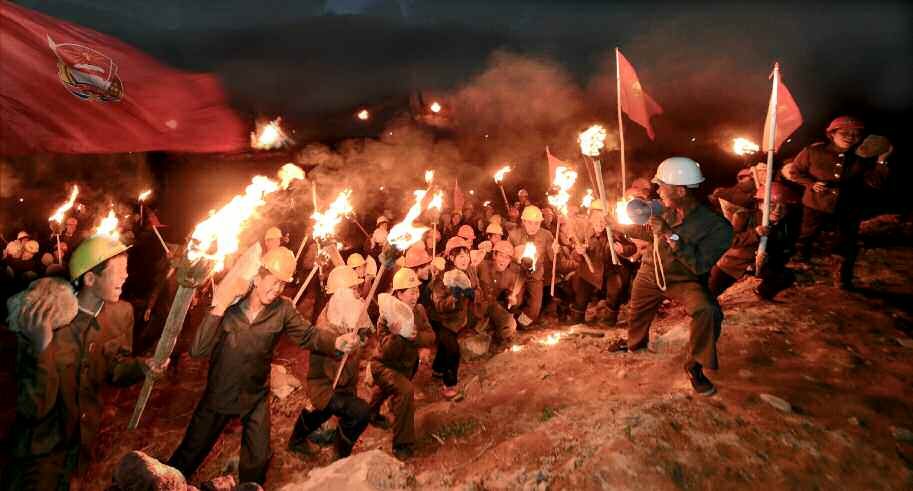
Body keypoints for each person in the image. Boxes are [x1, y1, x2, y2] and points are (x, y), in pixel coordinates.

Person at [168, 248, 360, 484]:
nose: (278, 289)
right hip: (221, 392)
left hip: (255, 395)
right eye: (274, 281)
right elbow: (197, 350)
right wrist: (222, 304)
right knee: (189, 455)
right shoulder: (230, 305)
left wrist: (336, 342)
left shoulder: (283, 309)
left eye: (283, 284)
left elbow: (308, 335)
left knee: (258, 459)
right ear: (258, 277)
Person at [4, 236, 167, 490]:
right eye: (118, 271)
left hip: (82, 444)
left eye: (125, 269)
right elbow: (34, 407)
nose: (125, 276)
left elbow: (115, 368)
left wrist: (142, 366)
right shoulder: (46, 319)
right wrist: (41, 347)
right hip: (40, 449)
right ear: (90, 279)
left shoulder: (121, 314)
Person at [619, 157, 733, 396]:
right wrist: (616, 224)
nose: (658, 191)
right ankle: (634, 344)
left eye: (662, 186)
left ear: (681, 191)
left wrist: (670, 235)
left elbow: (700, 265)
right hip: (652, 271)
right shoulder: (665, 210)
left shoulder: (718, 227)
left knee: (708, 311)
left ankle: (696, 366)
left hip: (684, 279)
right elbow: (647, 232)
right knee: (637, 312)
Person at [784, 116, 891, 288]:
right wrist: (810, 183)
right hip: (816, 202)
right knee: (807, 234)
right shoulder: (813, 151)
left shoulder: (863, 156)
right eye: (844, 133)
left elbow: (876, 183)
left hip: (849, 204)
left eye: (856, 134)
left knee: (847, 240)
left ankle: (842, 275)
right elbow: (795, 172)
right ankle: (798, 262)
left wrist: (881, 160)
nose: (850, 137)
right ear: (832, 134)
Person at [288, 265, 372, 461]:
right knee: (359, 412)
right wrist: (350, 349)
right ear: (340, 295)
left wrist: (361, 339)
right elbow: (337, 375)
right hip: (327, 386)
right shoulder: (327, 330)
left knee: (322, 412)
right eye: (353, 290)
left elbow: (363, 332)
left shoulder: (341, 316)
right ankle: (340, 454)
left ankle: (297, 439)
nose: (357, 295)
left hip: (339, 384)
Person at [367, 268, 436, 459]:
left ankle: (370, 413)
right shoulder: (386, 318)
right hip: (383, 365)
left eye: (417, 291)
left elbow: (431, 336)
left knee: (388, 388)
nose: (415, 296)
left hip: (406, 365)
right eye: (410, 292)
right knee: (405, 391)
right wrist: (397, 335)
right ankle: (402, 444)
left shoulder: (418, 311)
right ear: (399, 294)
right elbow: (388, 352)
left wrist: (416, 338)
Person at [709, 182, 799, 299]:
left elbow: (786, 251)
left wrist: (768, 258)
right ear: (760, 204)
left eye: (782, 207)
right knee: (709, 293)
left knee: (786, 276)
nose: (777, 210)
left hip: (760, 265)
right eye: (771, 205)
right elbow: (730, 241)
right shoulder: (743, 217)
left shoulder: (785, 227)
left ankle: (762, 294)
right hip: (734, 263)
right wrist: (754, 233)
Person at [568, 200, 637, 325]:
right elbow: (573, 255)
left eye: (602, 220)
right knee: (580, 296)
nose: (599, 224)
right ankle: (577, 319)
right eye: (596, 220)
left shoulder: (615, 233)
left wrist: (622, 249)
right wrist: (578, 252)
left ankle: (608, 320)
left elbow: (632, 247)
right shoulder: (584, 233)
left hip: (610, 270)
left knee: (615, 290)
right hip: (588, 272)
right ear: (590, 219)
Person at [429, 237, 478, 399]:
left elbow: (478, 289)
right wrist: (454, 298)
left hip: (457, 321)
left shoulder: (470, 272)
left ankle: (437, 369)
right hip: (441, 321)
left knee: (445, 347)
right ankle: (449, 384)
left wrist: (473, 294)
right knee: (453, 351)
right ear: (451, 257)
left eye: (467, 255)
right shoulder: (442, 278)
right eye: (460, 256)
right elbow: (439, 306)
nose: (465, 259)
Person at [507, 205, 558, 328]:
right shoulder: (513, 235)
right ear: (523, 221)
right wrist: (517, 257)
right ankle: (508, 321)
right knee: (514, 302)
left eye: (536, 223)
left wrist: (556, 250)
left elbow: (553, 258)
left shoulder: (546, 235)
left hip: (535, 275)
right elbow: (506, 256)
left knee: (534, 310)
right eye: (530, 223)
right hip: (517, 274)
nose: (533, 227)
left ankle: (520, 325)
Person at [476, 240, 522, 347]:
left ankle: (499, 341)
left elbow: (513, 299)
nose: (503, 260)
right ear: (494, 255)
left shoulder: (510, 276)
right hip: (475, 306)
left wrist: (513, 300)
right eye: (501, 255)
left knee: (510, 323)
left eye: (507, 257)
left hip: (492, 307)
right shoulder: (482, 265)